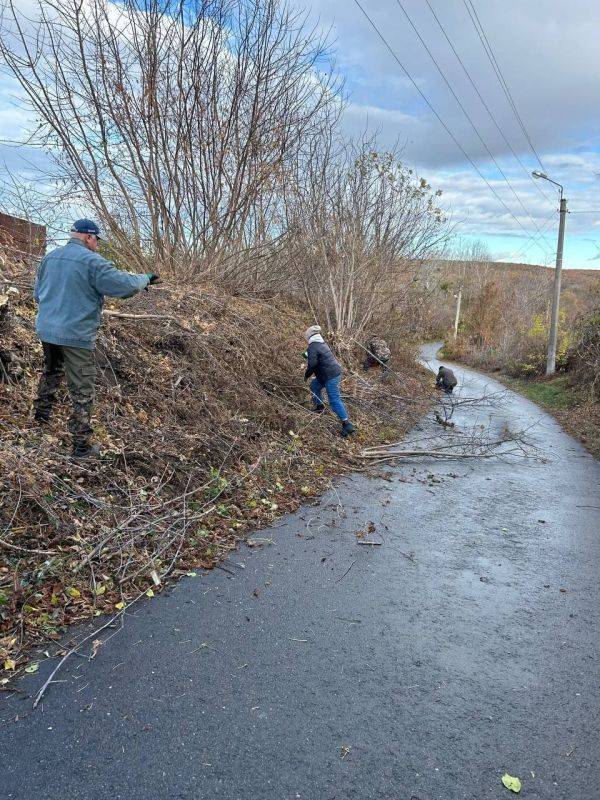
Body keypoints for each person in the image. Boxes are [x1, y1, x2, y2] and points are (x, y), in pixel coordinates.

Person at [33, 219, 160, 458]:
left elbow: (37, 294)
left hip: (47, 330)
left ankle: (41, 417)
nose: (97, 246)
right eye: (97, 240)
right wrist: (145, 278)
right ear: (89, 237)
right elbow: (122, 285)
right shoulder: (92, 261)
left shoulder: (50, 257)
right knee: (82, 386)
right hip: (75, 335)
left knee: (51, 370)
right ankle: (81, 446)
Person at [303, 325, 356, 437]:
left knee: (334, 400)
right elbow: (317, 356)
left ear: (309, 337)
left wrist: (307, 375)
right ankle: (320, 407)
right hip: (328, 374)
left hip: (330, 376)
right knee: (314, 386)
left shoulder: (313, 346)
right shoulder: (321, 343)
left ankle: (347, 425)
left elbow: (312, 364)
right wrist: (307, 355)